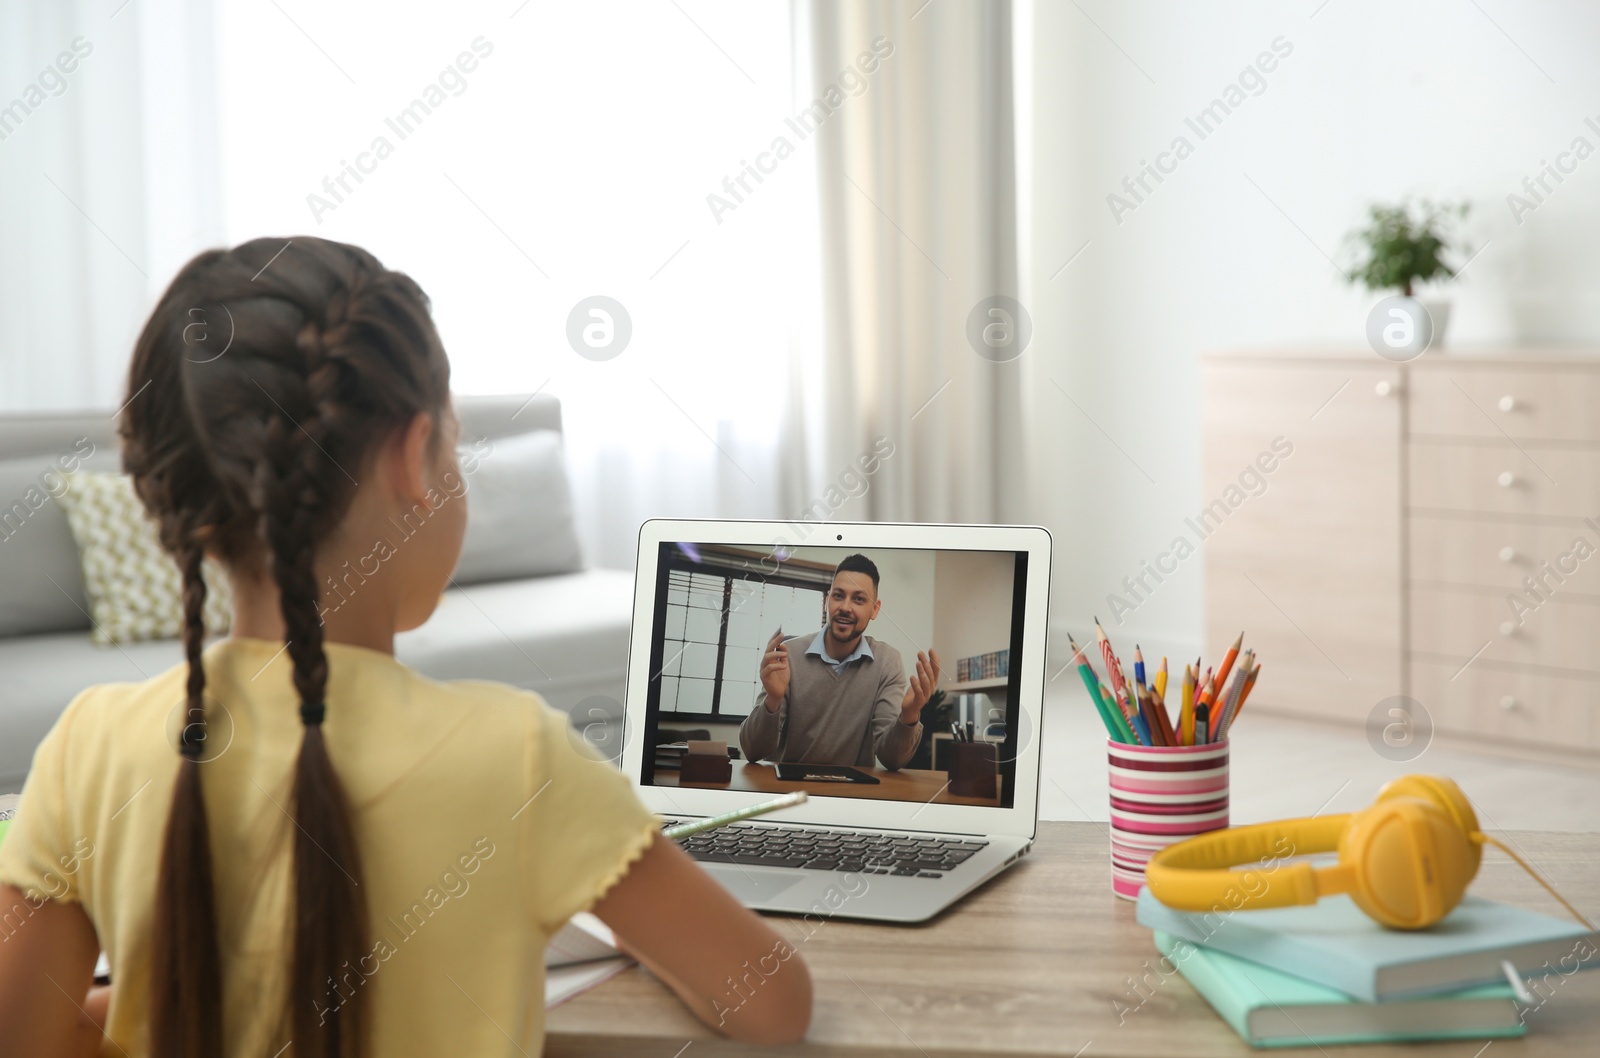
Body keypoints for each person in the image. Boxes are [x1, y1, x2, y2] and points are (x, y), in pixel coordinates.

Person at [0, 238, 810, 1058]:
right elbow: (771, 1003)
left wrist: (158, 1000)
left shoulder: (87, 746)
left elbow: (22, 1035)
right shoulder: (520, 755)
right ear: (411, 456)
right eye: (454, 447)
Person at [739, 554, 941, 771]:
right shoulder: (790, 655)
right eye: (838, 595)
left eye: (859, 599)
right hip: (789, 792)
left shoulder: (887, 662)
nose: (845, 607)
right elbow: (752, 751)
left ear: (874, 609)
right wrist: (773, 700)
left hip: (852, 797)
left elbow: (891, 759)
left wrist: (909, 716)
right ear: (828, 601)